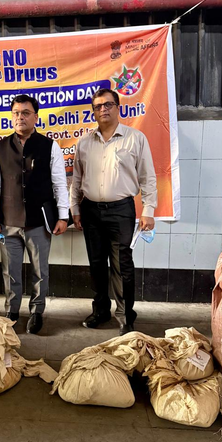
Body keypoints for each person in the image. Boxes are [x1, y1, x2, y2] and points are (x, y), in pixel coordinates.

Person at [70, 88, 157, 335]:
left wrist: (149, 209)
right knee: (96, 264)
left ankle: (126, 315)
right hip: (90, 211)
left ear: (118, 107)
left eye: (108, 104)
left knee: (122, 265)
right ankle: (100, 311)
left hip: (121, 211)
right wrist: (75, 208)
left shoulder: (135, 138)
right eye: (98, 106)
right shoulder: (85, 142)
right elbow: (77, 180)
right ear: (93, 111)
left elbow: (148, 177)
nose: (103, 109)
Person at [0, 94, 70, 334]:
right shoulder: (0, 148)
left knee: (40, 271)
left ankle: (37, 311)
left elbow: (59, 183)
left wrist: (63, 216)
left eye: (25, 113)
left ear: (35, 117)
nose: (20, 117)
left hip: (39, 222)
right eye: (16, 113)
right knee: (10, 271)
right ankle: (12, 311)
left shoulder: (49, 146)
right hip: (8, 222)